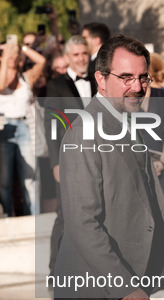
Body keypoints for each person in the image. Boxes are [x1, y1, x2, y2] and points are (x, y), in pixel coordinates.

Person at [53, 34, 164, 300]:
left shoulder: (128, 122)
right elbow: (83, 222)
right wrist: (127, 288)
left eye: (143, 77)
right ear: (101, 79)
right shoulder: (84, 132)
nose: (137, 86)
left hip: (129, 298)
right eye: (126, 78)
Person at [44, 35, 95, 275]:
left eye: (84, 53)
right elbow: (51, 125)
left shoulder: (99, 79)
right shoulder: (56, 85)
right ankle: (56, 270)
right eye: (76, 54)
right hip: (70, 158)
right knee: (66, 213)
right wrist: (55, 163)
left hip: (99, 156)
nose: (81, 58)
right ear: (67, 57)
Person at [0, 37, 46, 216]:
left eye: (15, 56)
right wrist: (6, 55)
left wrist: (21, 47)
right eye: (8, 55)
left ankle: (34, 217)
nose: (12, 57)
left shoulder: (27, 77)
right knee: (3, 180)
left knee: (30, 178)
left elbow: (42, 61)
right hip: (3, 128)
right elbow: (0, 86)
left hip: (25, 127)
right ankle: (7, 216)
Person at [81, 22, 111, 90]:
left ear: (96, 40)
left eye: (84, 38)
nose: (82, 42)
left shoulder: (101, 63)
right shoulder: (93, 61)